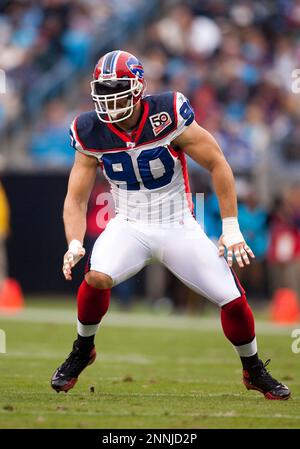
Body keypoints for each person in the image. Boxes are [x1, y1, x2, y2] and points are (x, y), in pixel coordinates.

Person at [51, 50, 290, 400]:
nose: (109, 96)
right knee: (97, 277)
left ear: (137, 86)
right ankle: (82, 349)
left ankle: (253, 369)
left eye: (117, 87)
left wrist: (231, 225)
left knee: (232, 300)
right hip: (129, 224)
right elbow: (76, 197)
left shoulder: (167, 113)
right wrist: (74, 242)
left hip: (178, 224)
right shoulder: (89, 131)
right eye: (103, 88)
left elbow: (218, 164)